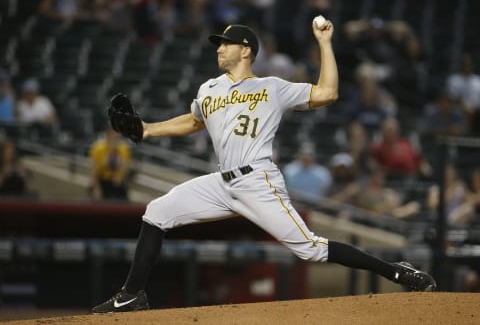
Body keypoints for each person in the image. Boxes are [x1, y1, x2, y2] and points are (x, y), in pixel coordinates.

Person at [92, 21, 436, 314]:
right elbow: (195, 121)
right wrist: (149, 129)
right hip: (220, 183)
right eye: (218, 44)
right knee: (157, 211)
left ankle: (395, 272)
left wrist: (325, 43)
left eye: (225, 44)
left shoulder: (272, 87)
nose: (218, 49)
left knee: (311, 249)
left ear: (246, 50)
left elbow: (328, 93)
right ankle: (131, 295)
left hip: (257, 180)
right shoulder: (209, 88)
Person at [89, 126, 132, 201]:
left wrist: (119, 176)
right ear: (107, 135)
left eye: (117, 136)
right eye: (113, 135)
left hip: (117, 182)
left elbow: (125, 167)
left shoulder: (124, 149)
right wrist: (96, 188)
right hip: (102, 181)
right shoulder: (98, 149)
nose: (115, 138)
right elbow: (94, 170)